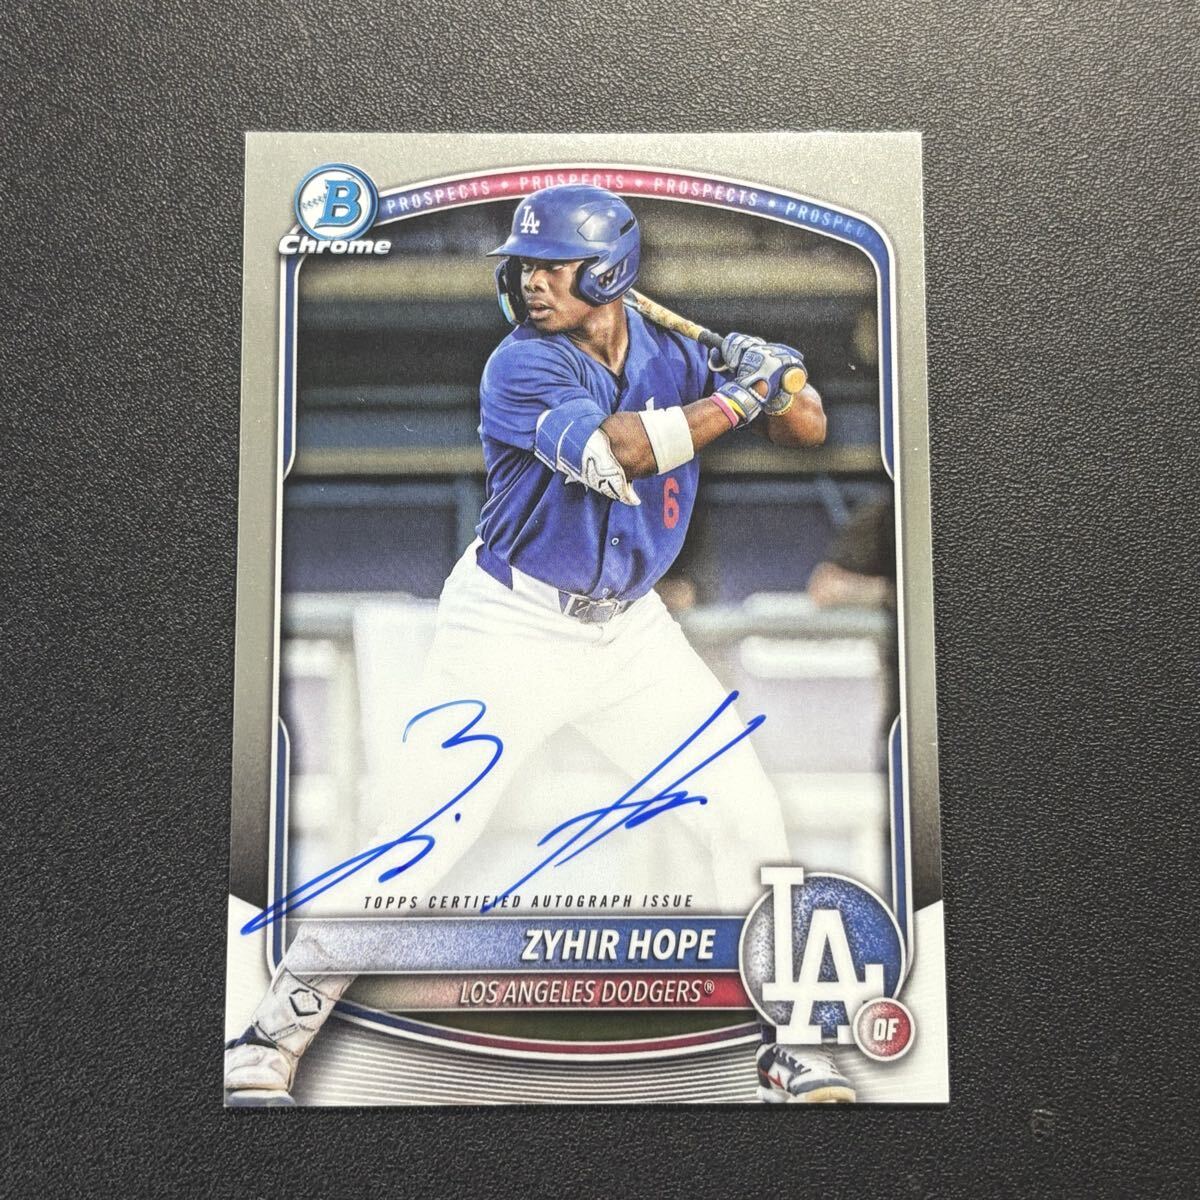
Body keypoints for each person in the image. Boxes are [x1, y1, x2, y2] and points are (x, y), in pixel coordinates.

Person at [225, 184, 853, 1105]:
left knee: (747, 814)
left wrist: (781, 379)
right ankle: (270, 1038)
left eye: (554, 266)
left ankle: (787, 1045)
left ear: (609, 272)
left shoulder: (677, 355)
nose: (530, 282)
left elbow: (811, 428)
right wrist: (737, 400)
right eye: (523, 266)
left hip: (631, 633)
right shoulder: (520, 366)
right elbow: (618, 455)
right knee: (415, 839)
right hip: (509, 627)